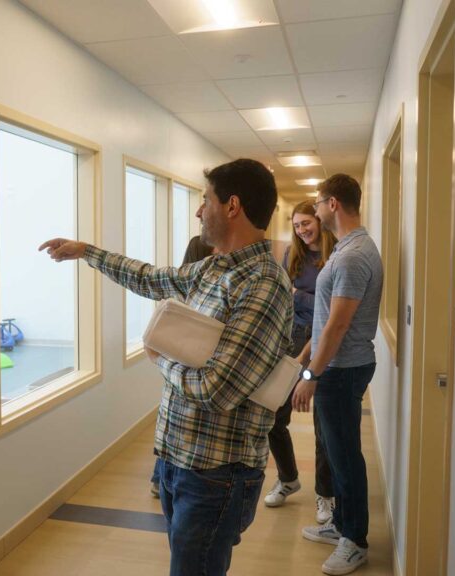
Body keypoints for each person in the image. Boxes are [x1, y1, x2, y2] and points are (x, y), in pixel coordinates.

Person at [41, 158, 292, 576]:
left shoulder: (262, 285)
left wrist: (161, 358)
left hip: (217, 474)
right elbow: (151, 278)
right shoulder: (214, 269)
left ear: (232, 206)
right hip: (180, 460)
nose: (198, 211)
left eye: (204, 200)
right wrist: (88, 253)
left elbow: (216, 389)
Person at [292, 174, 383, 575]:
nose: (313, 209)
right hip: (337, 366)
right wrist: (303, 359)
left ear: (333, 203)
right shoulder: (348, 247)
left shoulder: (351, 255)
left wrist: (310, 377)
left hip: (342, 371)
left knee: (345, 457)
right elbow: (327, 318)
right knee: (335, 450)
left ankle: (355, 541)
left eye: (317, 202)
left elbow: (337, 326)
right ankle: (342, 526)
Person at [264, 201, 337, 525]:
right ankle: (289, 478)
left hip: (323, 343)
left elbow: (330, 313)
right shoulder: (290, 256)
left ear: (319, 221)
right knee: (275, 418)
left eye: (306, 223)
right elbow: (282, 299)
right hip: (290, 337)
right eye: (296, 225)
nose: (302, 230)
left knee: (324, 427)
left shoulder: (334, 257)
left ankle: (325, 494)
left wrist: (300, 296)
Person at [150, 233, 216, 498]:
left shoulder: (180, 294)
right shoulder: (201, 291)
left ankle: (159, 478)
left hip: (177, 373)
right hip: (189, 374)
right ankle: (161, 477)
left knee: (173, 421)